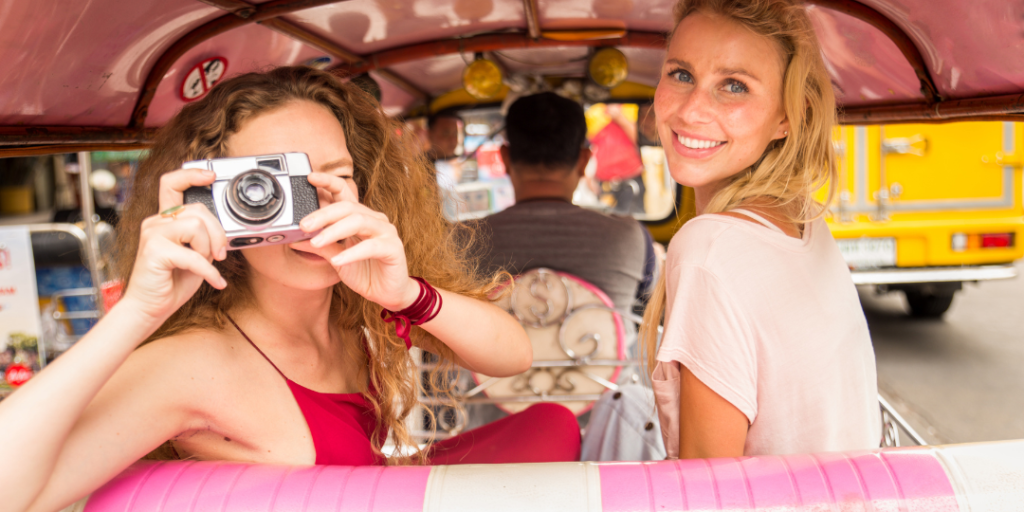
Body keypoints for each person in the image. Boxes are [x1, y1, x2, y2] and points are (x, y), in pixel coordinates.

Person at [0, 67, 581, 512]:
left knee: (553, 423)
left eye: (334, 177)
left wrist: (407, 293)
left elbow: (515, 357)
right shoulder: (196, 363)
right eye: (270, 187)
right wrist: (137, 314)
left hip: (376, 491)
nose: (311, 211)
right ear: (213, 201)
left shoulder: (360, 311)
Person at [641, 0, 881, 459]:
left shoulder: (710, 248)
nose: (692, 111)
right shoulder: (804, 222)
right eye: (681, 74)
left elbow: (709, 490)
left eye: (734, 86)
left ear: (786, 116)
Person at [472, 92, 651, 313]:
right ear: (584, 161)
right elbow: (657, 298)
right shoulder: (629, 236)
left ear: (505, 159)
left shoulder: (464, 241)